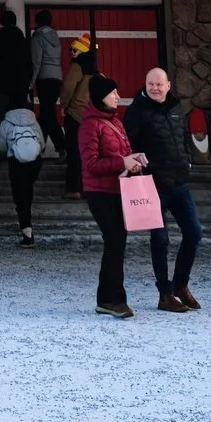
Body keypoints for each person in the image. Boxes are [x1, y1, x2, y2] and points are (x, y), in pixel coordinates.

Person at [124, 66, 202, 312]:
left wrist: (187, 160)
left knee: (194, 232)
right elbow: (127, 143)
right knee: (160, 239)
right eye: (151, 84)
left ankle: (181, 284)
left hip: (179, 182)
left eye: (160, 84)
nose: (155, 88)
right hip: (152, 185)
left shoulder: (176, 108)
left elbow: (182, 138)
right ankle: (164, 293)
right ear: (145, 85)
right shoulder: (136, 111)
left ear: (168, 85)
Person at [76, 76, 148, 317]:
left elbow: (124, 152)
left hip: (117, 189)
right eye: (113, 92)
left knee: (117, 242)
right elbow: (90, 164)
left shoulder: (115, 122)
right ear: (100, 96)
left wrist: (133, 160)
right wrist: (122, 162)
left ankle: (110, 298)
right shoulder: (89, 126)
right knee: (115, 240)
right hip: (99, 192)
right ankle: (112, 299)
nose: (118, 96)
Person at [0, 100, 49, 245]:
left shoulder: (6, 123)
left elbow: (0, 146)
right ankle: (26, 217)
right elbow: (42, 144)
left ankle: (27, 232)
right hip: (35, 162)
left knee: (20, 195)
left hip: (15, 161)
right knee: (27, 190)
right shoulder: (34, 122)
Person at [59, 36, 99, 196]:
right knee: (87, 152)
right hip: (89, 116)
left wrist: (64, 105)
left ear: (81, 51)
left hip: (75, 114)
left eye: (74, 50)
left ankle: (74, 188)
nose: (72, 53)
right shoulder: (95, 70)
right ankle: (87, 186)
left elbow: (68, 88)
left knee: (73, 151)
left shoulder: (77, 66)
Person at [29, 10, 67, 152]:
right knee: (46, 114)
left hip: (44, 78)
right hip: (56, 77)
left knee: (47, 115)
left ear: (38, 22)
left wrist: (31, 83)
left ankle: (60, 146)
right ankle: (40, 147)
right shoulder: (54, 36)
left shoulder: (38, 38)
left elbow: (36, 62)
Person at [0, 9, 30, 117]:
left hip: (2, 88)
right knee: (19, 119)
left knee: (1, 119)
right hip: (20, 88)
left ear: (1, 22)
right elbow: (29, 65)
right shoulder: (22, 40)